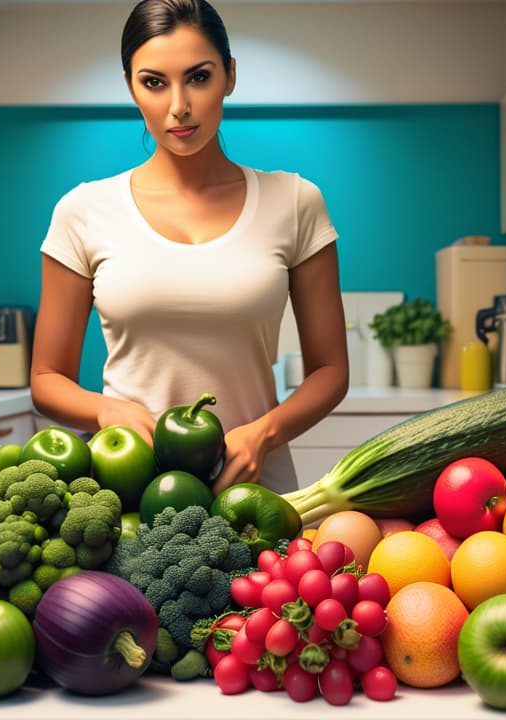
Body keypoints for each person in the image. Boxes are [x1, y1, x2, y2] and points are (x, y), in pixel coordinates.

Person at [30, 0, 348, 494]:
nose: (179, 105)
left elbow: (330, 370)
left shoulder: (295, 201)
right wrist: (105, 409)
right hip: (127, 496)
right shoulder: (83, 210)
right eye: (154, 82)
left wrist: (264, 434)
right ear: (130, 86)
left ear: (230, 76)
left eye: (199, 77)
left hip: (255, 491)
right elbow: (47, 377)